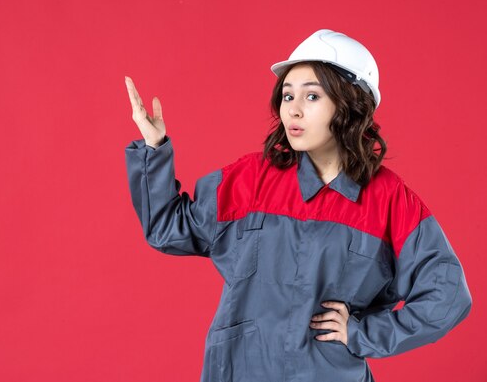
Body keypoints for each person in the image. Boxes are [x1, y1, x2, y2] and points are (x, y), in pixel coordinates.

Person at [123, 29, 472, 382]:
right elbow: (169, 229)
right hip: (240, 371)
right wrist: (154, 149)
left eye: (312, 96)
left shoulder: (389, 200)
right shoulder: (252, 178)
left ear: (350, 104)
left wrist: (364, 334)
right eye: (288, 95)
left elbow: (448, 295)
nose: (294, 108)